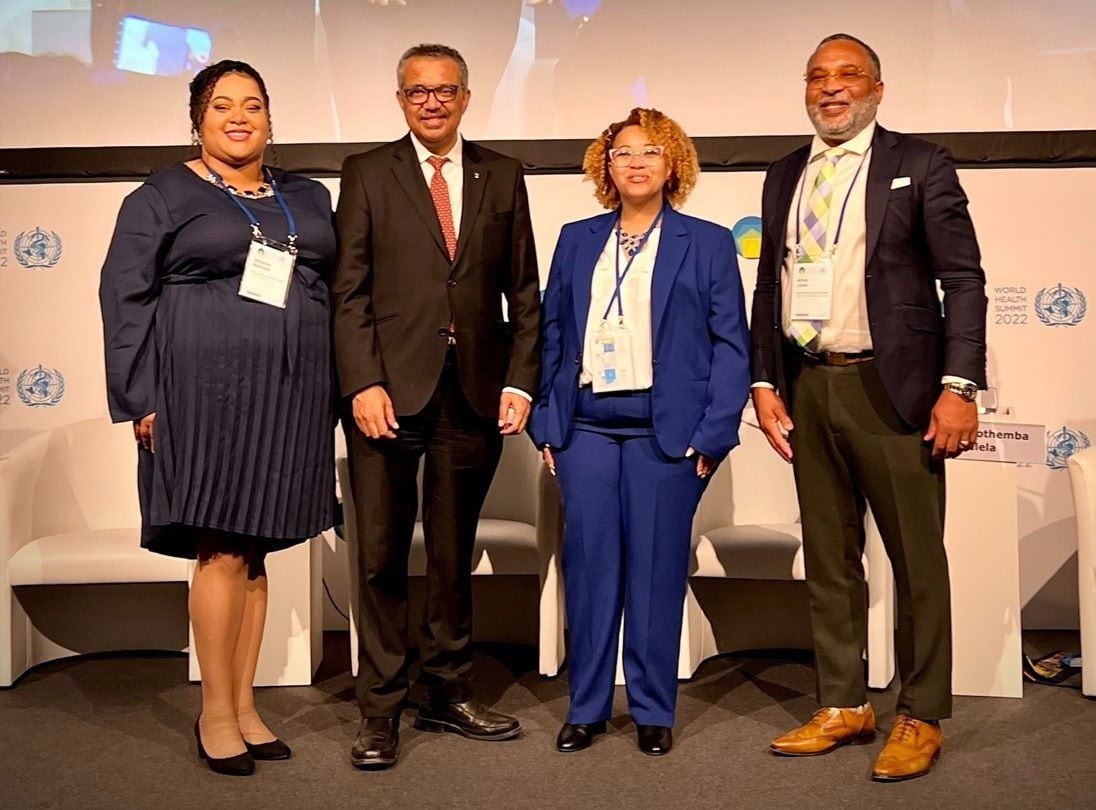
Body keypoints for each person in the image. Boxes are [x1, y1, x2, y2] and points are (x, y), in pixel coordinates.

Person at [750, 34, 987, 781]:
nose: (831, 88)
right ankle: (844, 703)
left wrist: (960, 386)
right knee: (829, 557)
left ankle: (921, 714)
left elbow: (966, 281)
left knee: (918, 561)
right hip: (810, 384)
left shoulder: (920, 165)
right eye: (818, 77)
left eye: (848, 75)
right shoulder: (785, 172)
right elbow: (770, 288)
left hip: (897, 389)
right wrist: (763, 382)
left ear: (878, 89)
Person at [99, 59, 337, 776]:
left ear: (271, 119)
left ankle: (245, 702)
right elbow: (124, 296)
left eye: (254, 105)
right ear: (197, 119)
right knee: (222, 549)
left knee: (258, 550)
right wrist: (141, 397)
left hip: (292, 394)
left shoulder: (306, 194)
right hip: (203, 393)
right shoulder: (164, 193)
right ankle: (215, 713)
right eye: (223, 106)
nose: (240, 117)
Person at [332, 43, 541, 770]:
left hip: (472, 393)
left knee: (453, 554)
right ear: (400, 100)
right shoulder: (365, 173)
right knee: (383, 554)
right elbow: (348, 291)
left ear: (465, 97)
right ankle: (380, 710)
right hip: (387, 394)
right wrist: (361, 383)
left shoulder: (503, 174)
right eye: (417, 91)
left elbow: (525, 294)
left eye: (445, 90)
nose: (431, 102)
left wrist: (519, 383)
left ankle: (449, 692)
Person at [530, 108, 750, 756]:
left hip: (668, 432)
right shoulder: (576, 238)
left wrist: (711, 438)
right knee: (591, 567)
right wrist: (549, 422)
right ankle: (589, 706)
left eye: (650, 151)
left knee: (655, 572)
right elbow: (552, 336)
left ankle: (653, 708)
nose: (636, 162)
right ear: (606, 165)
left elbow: (730, 347)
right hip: (587, 429)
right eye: (623, 152)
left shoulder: (707, 242)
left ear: (673, 163)